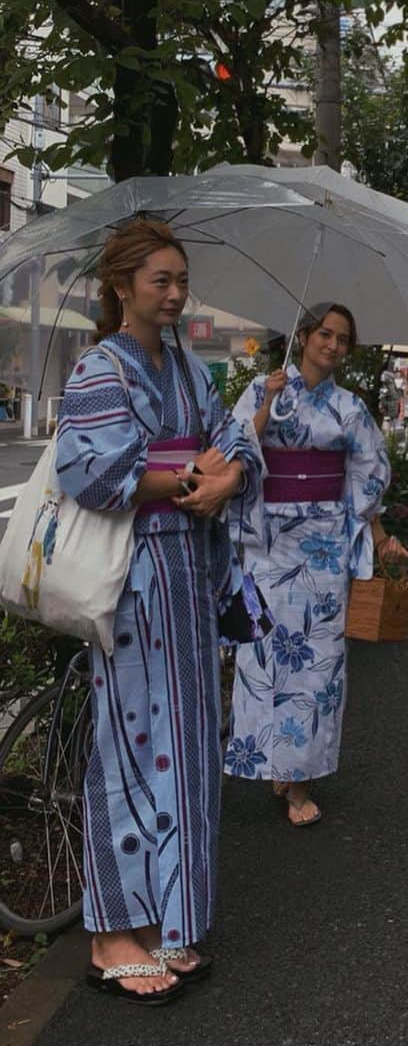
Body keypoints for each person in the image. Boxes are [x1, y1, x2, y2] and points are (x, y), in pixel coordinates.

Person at [54, 218, 261, 1004]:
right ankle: (111, 931)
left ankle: (170, 920)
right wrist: (187, 481)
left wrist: (230, 477)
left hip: (186, 576)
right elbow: (89, 469)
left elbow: (228, 441)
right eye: (159, 282)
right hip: (133, 576)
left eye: (181, 281)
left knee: (187, 747)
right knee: (129, 748)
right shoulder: (100, 369)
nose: (174, 295)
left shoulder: (187, 369)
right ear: (121, 287)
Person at [226, 302, 408, 826]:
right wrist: (267, 403)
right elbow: (235, 449)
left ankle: (300, 780)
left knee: (317, 665)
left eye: (343, 339)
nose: (332, 345)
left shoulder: (349, 408)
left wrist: (374, 529)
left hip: (323, 543)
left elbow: (367, 473)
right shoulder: (264, 389)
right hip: (268, 539)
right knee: (263, 655)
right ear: (303, 336)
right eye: (324, 334)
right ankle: (272, 760)